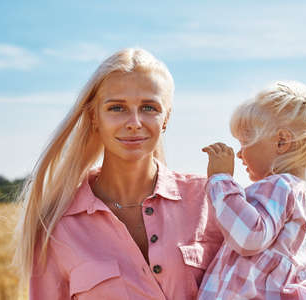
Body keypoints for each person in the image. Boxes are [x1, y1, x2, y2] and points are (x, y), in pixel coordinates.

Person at [12, 48, 223, 299]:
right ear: (94, 116)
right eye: (116, 108)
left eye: (148, 107)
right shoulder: (57, 227)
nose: (134, 121)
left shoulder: (211, 200)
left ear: (166, 118)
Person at [198, 81, 306, 299]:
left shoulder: (281, 186)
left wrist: (221, 180)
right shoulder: (303, 196)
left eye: (245, 141)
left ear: (281, 142)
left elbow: (249, 236)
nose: (239, 154)